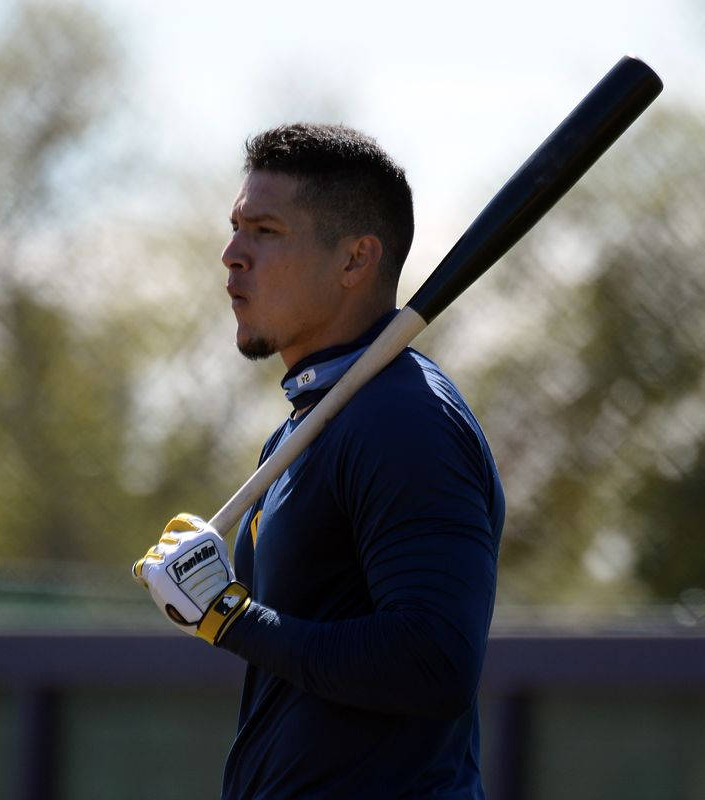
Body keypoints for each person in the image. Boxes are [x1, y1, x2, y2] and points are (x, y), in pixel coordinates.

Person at [133, 123, 505, 799]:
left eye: (265, 231)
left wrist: (229, 616)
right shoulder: (307, 428)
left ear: (355, 260)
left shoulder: (404, 420)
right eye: (236, 227)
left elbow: (434, 662)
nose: (231, 254)